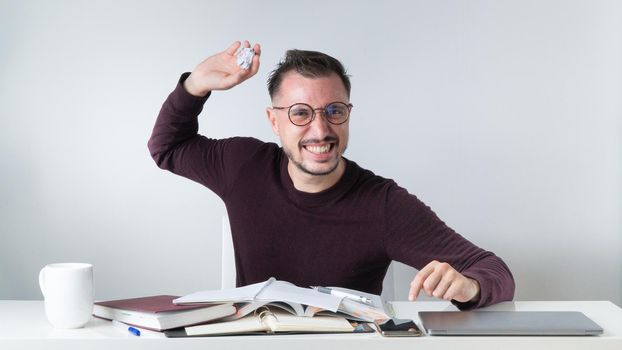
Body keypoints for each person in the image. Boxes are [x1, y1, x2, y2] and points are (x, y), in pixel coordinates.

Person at [148, 40, 515, 309]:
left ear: (349, 114)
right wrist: (196, 85)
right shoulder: (244, 165)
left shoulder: (383, 203)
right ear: (273, 121)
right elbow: (167, 147)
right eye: (300, 113)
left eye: (334, 110)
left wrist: (470, 287)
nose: (320, 130)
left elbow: (492, 269)